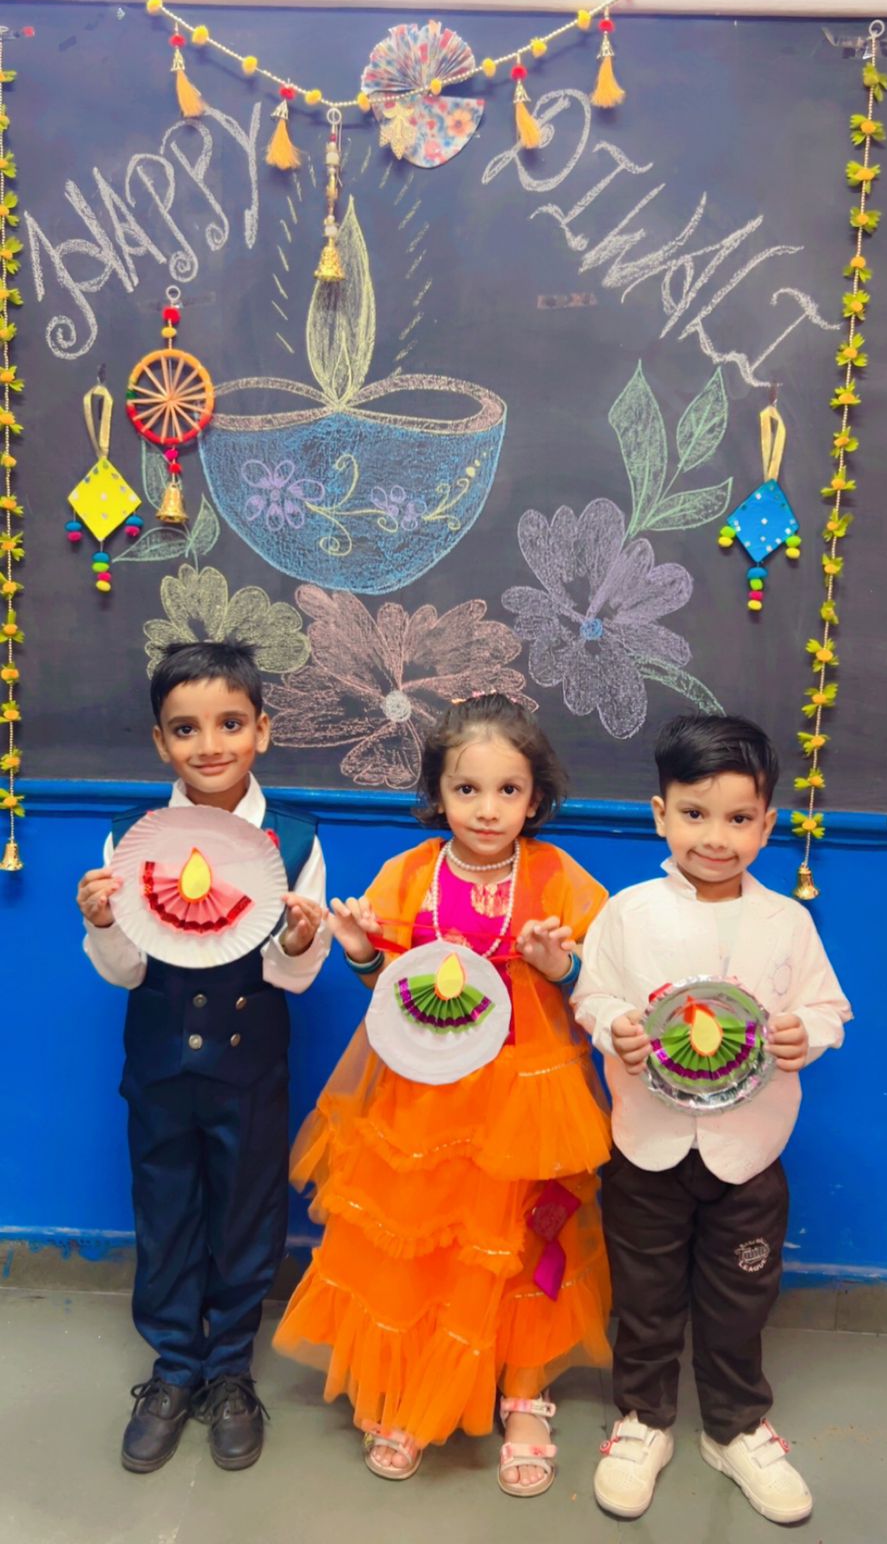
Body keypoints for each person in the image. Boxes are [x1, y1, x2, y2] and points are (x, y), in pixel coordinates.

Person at [274, 694, 611, 1495]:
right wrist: (361, 953)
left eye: (508, 790)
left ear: (535, 797)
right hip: (425, 1097)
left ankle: (523, 1392)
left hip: (525, 1100)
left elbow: (597, 984)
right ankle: (409, 1382)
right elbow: (390, 992)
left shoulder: (559, 877)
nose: (487, 809)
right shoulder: (411, 874)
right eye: (467, 789)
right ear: (438, 793)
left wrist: (557, 964)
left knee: (522, 1241)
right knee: (423, 1238)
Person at [572, 713, 850, 1526]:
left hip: (748, 1153)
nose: (716, 837)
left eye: (738, 818)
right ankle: (643, 1419)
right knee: (646, 1293)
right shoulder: (628, 912)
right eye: (695, 814)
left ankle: (734, 1427)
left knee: (740, 1298)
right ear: (661, 814)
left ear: (768, 824)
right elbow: (591, 993)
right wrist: (613, 1024)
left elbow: (829, 1008)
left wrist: (808, 1034)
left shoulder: (787, 921)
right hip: (646, 1146)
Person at [77, 640, 329, 1474]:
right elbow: (125, 971)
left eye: (230, 723)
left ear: (263, 730)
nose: (209, 744)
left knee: (247, 1217)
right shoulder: (130, 838)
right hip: (158, 1068)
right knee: (166, 1211)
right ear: (161, 742)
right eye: (185, 728)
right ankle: (174, 1367)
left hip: (248, 1070)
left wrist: (301, 937)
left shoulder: (294, 842)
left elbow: (294, 978)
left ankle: (228, 1371)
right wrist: (104, 921)